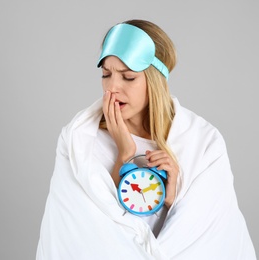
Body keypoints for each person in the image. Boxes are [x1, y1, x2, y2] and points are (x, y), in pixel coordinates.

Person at [36, 19, 256, 260]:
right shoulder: (79, 142)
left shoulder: (203, 143)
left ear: (155, 80)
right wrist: (124, 155)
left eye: (128, 77)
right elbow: (80, 234)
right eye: (106, 74)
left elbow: (214, 236)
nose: (112, 87)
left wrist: (172, 200)